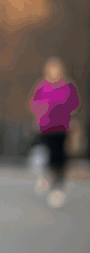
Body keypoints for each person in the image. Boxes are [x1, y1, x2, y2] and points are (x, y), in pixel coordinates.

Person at [29, 57, 80, 208]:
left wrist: (75, 127)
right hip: (46, 128)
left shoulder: (68, 87)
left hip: (63, 128)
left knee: (61, 159)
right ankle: (47, 178)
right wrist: (38, 115)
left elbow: (74, 106)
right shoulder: (42, 86)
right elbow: (34, 104)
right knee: (47, 155)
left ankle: (58, 188)